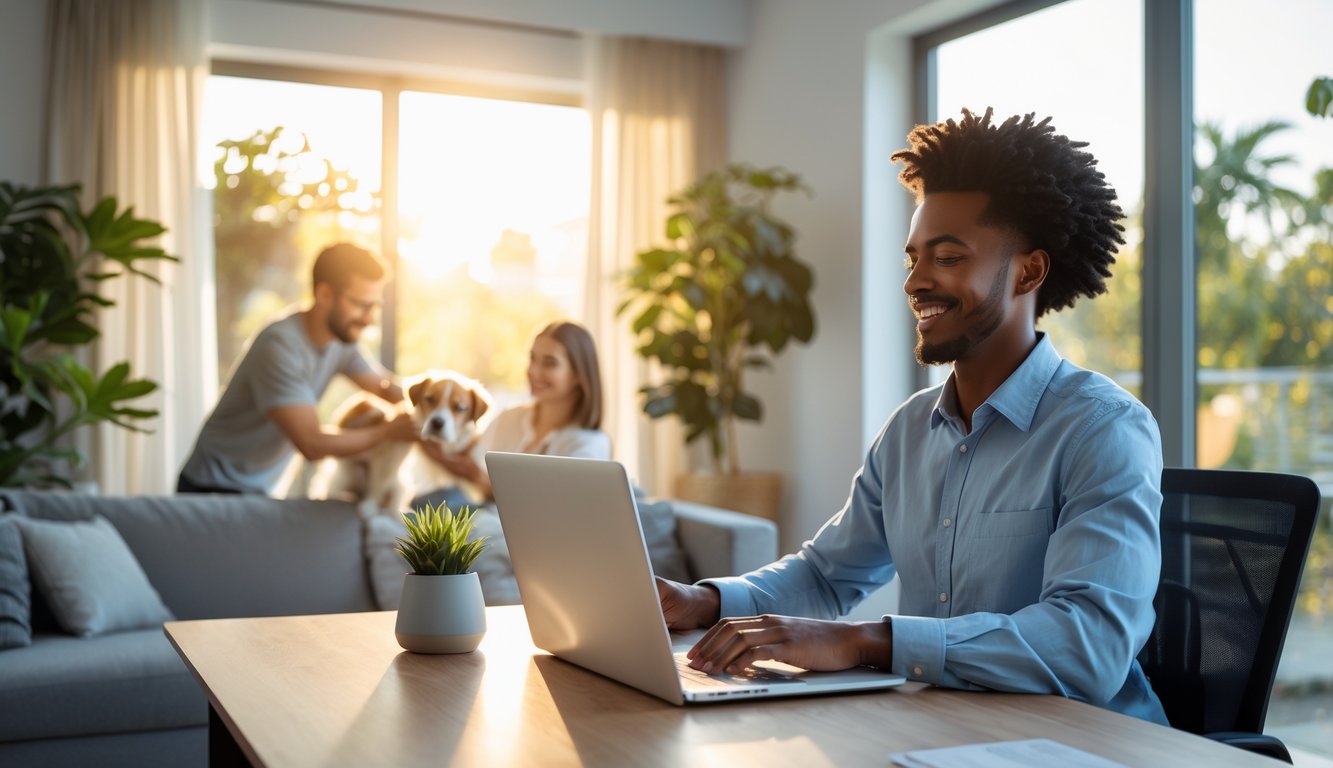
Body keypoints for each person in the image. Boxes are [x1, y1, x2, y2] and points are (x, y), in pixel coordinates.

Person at [656, 108, 1168, 724]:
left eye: (947, 258)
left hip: (1089, 742)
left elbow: (1089, 644)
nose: (914, 282)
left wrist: (867, 641)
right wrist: (703, 600)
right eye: (913, 259)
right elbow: (827, 575)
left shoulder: (1102, 428)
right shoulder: (909, 429)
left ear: (1029, 271)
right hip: (948, 726)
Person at [177, 243, 419, 495]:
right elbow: (312, 444)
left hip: (257, 490)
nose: (370, 318)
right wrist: (389, 431)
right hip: (211, 488)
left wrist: (432, 404)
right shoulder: (279, 347)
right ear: (324, 295)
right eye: (361, 304)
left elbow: (385, 388)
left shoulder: (342, 342)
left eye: (375, 306)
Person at [421, 320, 611, 500]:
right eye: (532, 358)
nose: (534, 371)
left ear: (578, 374)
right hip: (483, 517)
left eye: (550, 363)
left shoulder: (588, 444)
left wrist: (479, 479)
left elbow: (556, 507)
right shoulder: (509, 418)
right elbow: (461, 461)